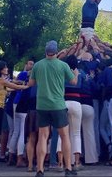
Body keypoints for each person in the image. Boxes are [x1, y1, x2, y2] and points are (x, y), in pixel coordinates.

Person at [30, 40, 77, 177]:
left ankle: (40, 169)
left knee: (42, 137)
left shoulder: (38, 65)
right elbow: (73, 82)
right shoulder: (63, 65)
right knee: (64, 136)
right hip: (58, 105)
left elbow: (31, 83)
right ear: (56, 52)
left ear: (46, 51)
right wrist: (76, 74)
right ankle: (68, 168)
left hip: (42, 105)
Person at [0, 61, 30, 171]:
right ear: (1, 70)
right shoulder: (2, 81)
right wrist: (27, 86)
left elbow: (10, 88)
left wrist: (18, 85)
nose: (7, 69)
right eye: (5, 67)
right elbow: (14, 86)